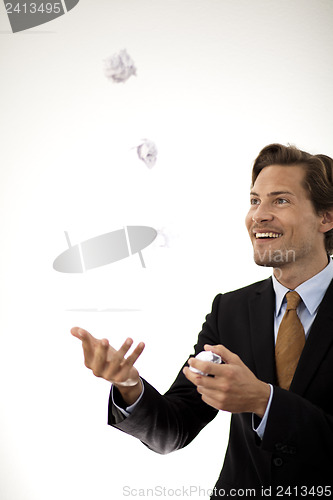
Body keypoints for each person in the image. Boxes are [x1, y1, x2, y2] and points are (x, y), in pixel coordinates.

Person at [71, 144, 333, 497]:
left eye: (280, 201)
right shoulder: (231, 310)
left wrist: (263, 401)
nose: (258, 215)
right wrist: (130, 387)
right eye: (255, 201)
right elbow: (175, 427)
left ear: (326, 217)